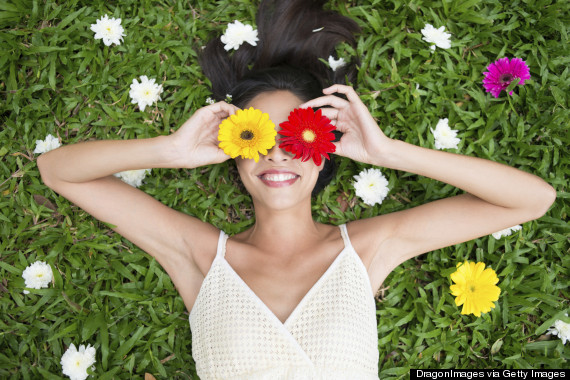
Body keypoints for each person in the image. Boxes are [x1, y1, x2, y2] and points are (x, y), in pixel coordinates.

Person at [37, 0, 556, 378]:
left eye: (295, 136)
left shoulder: (366, 250)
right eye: (256, 136)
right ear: (235, 152)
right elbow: (57, 171)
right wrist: (169, 151)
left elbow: (533, 200)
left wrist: (388, 153)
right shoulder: (199, 256)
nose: (277, 152)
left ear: (323, 149)